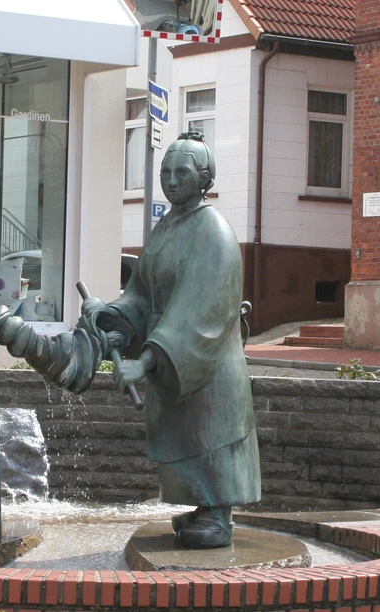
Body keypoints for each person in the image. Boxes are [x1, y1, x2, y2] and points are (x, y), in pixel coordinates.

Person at [100, 132, 259, 549]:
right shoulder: (165, 226)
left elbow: (198, 312)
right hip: (170, 355)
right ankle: (200, 505)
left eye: (181, 172)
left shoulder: (213, 230)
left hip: (205, 363)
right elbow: (141, 292)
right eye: (165, 172)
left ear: (204, 178)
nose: (171, 180)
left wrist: (147, 360)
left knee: (208, 435)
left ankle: (218, 514)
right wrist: (115, 318)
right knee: (185, 438)